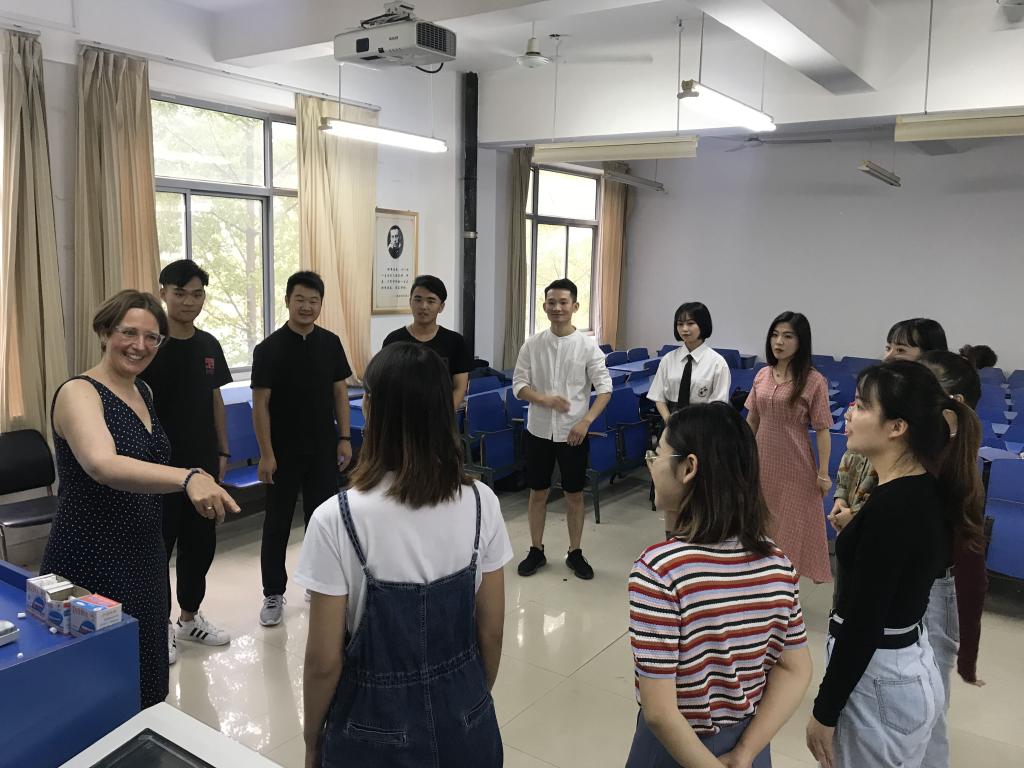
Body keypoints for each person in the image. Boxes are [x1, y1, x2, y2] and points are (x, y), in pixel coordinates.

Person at [295, 342, 512, 768]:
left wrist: (311, 740)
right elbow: (492, 632)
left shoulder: (336, 518)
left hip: (370, 732)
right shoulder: (482, 502)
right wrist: (468, 699)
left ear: (370, 410)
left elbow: (323, 662)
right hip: (467, 721)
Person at [40, 290, 239, 709]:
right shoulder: (79, 392)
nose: (140, 345)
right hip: (89, 558)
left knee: (146, 677)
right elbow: (102, 464)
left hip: (144, 555)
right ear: (104, 332)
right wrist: (187, 477)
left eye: (152, 338)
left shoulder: (143, 391)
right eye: (128, 333)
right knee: (92, 689)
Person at [806, 361, 985, 768]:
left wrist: (825, 711)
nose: (848, 414)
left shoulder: (896, 507)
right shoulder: (920, 490)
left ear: (897, 427)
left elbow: (864, 623)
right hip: (902, 665)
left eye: (861, 406)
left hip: (879, 680)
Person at [627, 402, 812, 768]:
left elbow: (660, 712)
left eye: (657, 454)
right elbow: (796, 668)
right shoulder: (776, 563)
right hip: (745, 743)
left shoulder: (660, 571)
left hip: (676, 750)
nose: (652, 465)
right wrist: (746, 752)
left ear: (688, 468)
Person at [141, 260, 233, 664]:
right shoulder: (149, 345)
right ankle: (158, 625)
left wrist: (223, 451)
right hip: (158, 469)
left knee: (200, 545)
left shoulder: (209, 345)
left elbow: (216, 400)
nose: (189, 301)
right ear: (163, 292)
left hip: (203, 464)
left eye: (197, 294)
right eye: (180, 293)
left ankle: (189, 618)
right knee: (158, 549)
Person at [251, 271, 353, 627]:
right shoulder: (268, 349)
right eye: (300, 299)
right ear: (287, 301)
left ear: (320, 304)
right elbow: (260, 405)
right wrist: (266, 453)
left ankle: (318, 582)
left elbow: (340, 392)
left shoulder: (331, 343)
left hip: (323, 447)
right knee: (276, 523)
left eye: (313, 300)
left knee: (322, 520)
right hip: (282, 452)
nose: (307, 306)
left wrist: (344, 437)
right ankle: (273, 593)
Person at [512, 278, 613, 580]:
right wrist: (543, 399)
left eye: (563, 302)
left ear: (575, 306)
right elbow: (519, 385)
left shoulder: (587, 346)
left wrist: (586, 421)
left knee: (574, 494)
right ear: (544, 306)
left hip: (574, 433)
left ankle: (575, 552)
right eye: (551, 303)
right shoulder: (532, 344)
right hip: (538, 431)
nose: (557, 308)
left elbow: (605, 389)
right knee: (537, 492)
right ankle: (536, 549)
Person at [831, 318, 948, 527]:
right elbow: (852, 453)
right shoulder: (876, 397)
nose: (888, 357)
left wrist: (858, 514)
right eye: (888, 348)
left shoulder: (927, 419)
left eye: (900, 350)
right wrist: (842, 496)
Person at [745, 312, 833, 583]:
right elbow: (752, 419)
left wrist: (823, 472)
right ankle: (759, 582)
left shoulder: (814, 381)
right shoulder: (762, 374)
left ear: (801, 341)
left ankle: (785, 586)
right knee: (760, 524)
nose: (778, 342)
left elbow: (823, 429)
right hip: (761, 461)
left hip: (796, 467)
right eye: (774, 335)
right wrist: (742, 456)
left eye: (787, 336)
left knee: (790, 529)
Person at [382, 275, 473, 408]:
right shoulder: (394, 340)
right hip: (401, 415)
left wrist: (445, 414)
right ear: (410, 302)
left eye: (431, 301)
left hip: (441, 415)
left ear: (441, 306)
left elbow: (460, 387)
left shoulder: (455, 341)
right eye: (418, 299)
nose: (423, 306)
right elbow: (384, 385)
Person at [648, 302, 731, 422]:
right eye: (680, 324)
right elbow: (659, 397)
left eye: (690, 323)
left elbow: (719, 405)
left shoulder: (718, 363)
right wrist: (669, 423)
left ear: (703, 325)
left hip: (704, 423)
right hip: (671, 422)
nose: (684, 329)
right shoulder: (668, 359)